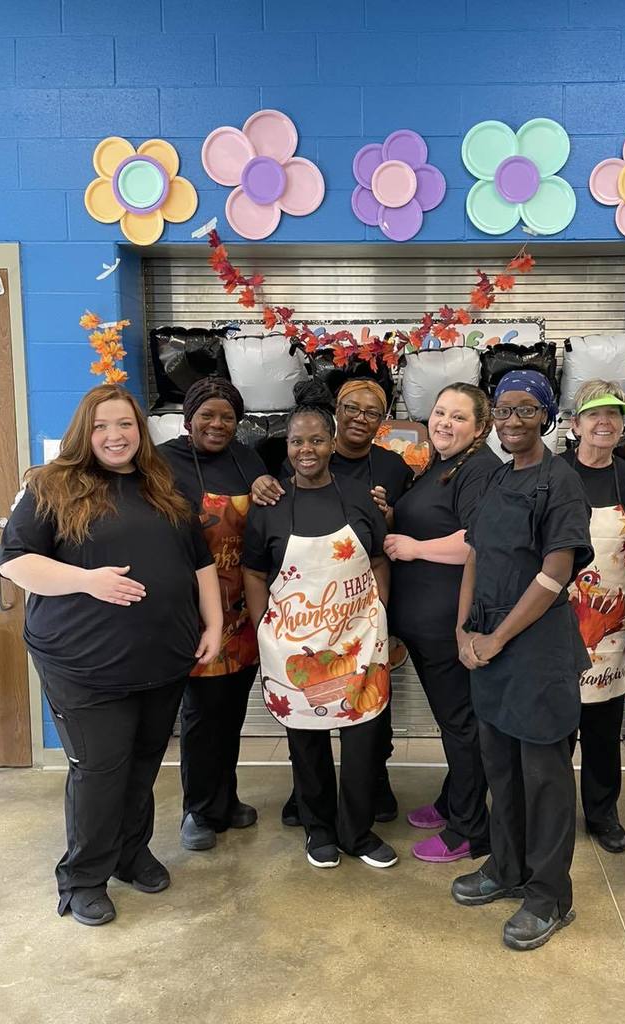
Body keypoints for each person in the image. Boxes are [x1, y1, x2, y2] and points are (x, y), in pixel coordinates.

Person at [0, 384, 222, 927]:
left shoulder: (161, 486)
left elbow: (199, 561)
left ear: (139, 432)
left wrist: (213, 621)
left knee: (144, 764)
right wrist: (87, 581)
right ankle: (81, 879)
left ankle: (129, 853)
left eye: (124, 424)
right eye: (102, 426)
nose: (114, 436)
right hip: (85, 663)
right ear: (84, 432)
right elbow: (14, 562)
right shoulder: (50, 486)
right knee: (100, 769)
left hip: (162, 657)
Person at [453, 370, 593, 952]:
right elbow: (475, 559)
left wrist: (498, 638)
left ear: (547, 415)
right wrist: (463, 629)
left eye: (525, 410)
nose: (513, 421)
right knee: (501, 770)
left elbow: (553, 576)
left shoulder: (559, 484)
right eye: (504, 411)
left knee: (545, 782)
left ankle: (549, 896)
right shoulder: (493, 480)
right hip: (487, 648)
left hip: (536, 654)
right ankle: (506, 869)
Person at [242, 382, 397, 870]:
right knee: (305, 738)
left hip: (355, 642)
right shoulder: (268, 507)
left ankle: (357, 831)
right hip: (295, 645)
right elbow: (251, 569)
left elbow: (378, 560)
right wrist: (261, 624)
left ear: (332, 444)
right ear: (286, 448)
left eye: (315, 441)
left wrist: (378, 617)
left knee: (363, 737)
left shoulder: (361, 500)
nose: (305, 450)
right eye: (296, 442)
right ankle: (319, 830)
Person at [158, 377, 275, 852]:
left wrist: (268, 484)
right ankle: (199, 811)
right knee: (202, 714)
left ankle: (226, 799)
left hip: (243, 606)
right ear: (189, 418)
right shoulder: (163, 462)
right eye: (207, 414)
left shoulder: (248, 459)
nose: (217, 424)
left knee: (231, 710)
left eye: (227, 416)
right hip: (196, 608)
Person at [384, 384, 499, 863]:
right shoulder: (439, 464)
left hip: (449, 625)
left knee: (462, 727)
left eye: (458, 417)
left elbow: (479, 540)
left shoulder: (479, 469)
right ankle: (455, 801)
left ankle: (470, 831)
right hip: (423, 625)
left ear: (480, 426)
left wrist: (415, 548)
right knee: (456, 723)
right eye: (439, 413)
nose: (444, 423)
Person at [563, 380, 625, 854]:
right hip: (556, 616)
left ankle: (602, 813)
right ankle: (548, 809)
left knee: (604, 730)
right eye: (594, 414)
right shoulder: (551, 474)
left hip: (614, 620)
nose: (604, 422)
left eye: (613, 414)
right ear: (575, 424)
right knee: (555, 728)